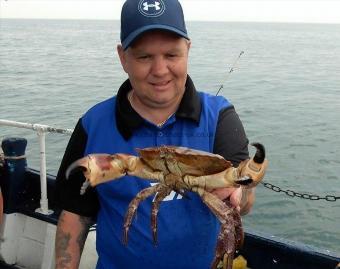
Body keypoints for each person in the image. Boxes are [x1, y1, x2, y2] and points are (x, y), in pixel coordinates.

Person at [55, 0, 256, 268]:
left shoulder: (219, 116)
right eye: (144, 57)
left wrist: (237, 195)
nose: (160, 70)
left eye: (172, 55)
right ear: (123, 57)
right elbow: (74, 215)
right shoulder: (94, 125)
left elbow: (243, 196)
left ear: (188, 50)